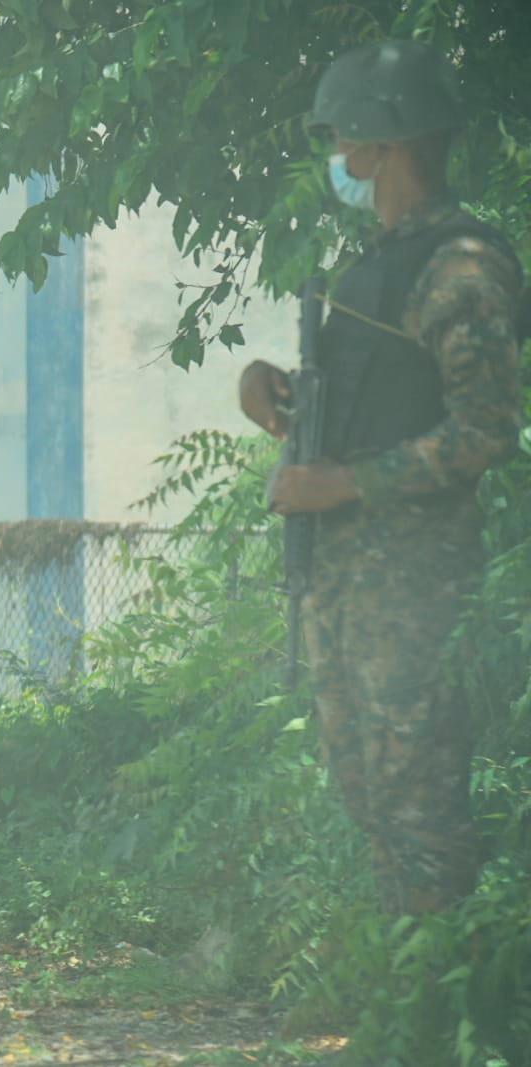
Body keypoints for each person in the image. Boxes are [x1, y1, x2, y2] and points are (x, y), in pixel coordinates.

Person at [238, 40, 524, 915]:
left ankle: (442, 1014)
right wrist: (275, 397)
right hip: (349, 581)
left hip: (413, 583)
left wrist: (346, 483)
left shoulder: (460, 266)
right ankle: (405, 993)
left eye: (343, 142)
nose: (338, 160)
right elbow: (364, 402)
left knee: (420, 808)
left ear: (384, 146)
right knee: (368, 796)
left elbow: (485, 431)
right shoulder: (379, 263)